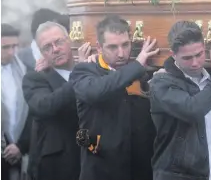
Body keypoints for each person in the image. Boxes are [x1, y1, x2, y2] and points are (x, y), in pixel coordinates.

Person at [69, 15, 158, 180]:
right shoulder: (84, 71)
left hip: (139, 170)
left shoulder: (143, 71)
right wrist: (137, 65)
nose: (121, 53)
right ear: (99, 47)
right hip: (101, 170)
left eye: (125, 44)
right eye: (112, 47)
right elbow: (96, 91)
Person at [149, 20, 211, 180]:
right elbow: (193, 109)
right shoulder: (161, 83)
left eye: (199, 54)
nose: (195, 63)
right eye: (187, 58)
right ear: (173, 55)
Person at [22, 22, 81, 180]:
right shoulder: (35, 78)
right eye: (47, 47)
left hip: (92, 158)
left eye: (59, 42)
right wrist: (80, 75)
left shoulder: (89, 68)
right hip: (56, 166)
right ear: (42, 53)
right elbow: (44, 106)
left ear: (69, 40)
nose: (55, 49)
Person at [1, 24, 32, 180]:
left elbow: (31, 112)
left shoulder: (25, 71)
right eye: (5, 47)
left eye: (15, 46)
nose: (12, 52)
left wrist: (20, 146)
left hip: (18, 147)